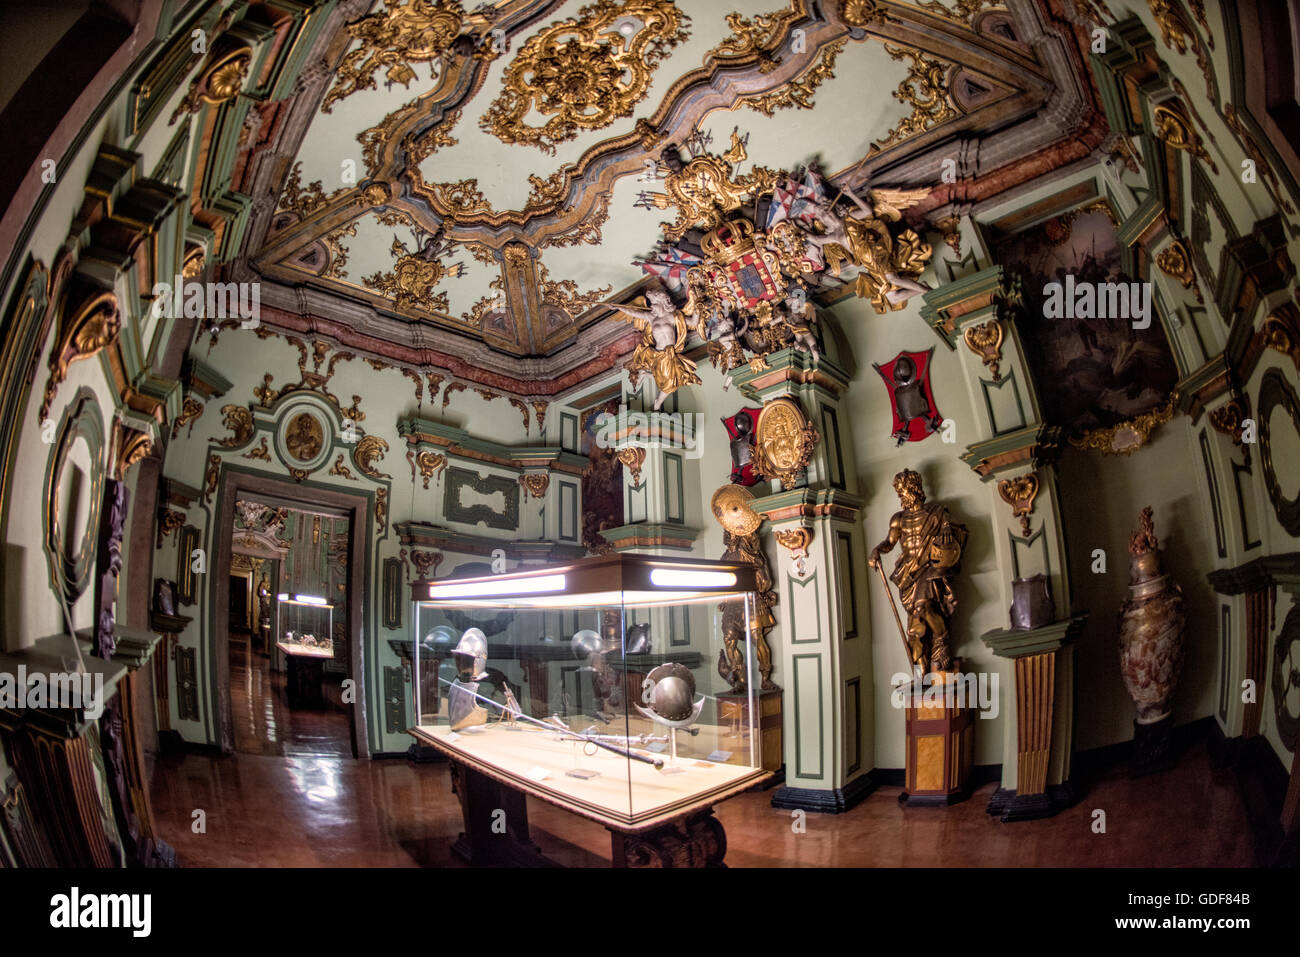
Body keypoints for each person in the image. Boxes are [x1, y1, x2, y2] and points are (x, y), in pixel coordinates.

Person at [868, 469, 968, 675]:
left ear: (915, 489)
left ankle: (942, 640)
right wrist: (876, 550)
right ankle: (922, 669)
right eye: (899, 492)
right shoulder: (898, 519)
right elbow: (890, 542)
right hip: (908, 575)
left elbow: (952, 541)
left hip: (930, 570)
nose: (901, 495)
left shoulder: (937, 513)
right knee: (915, 627)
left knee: (923, 608)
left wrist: (947, 538)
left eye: (904, 490)